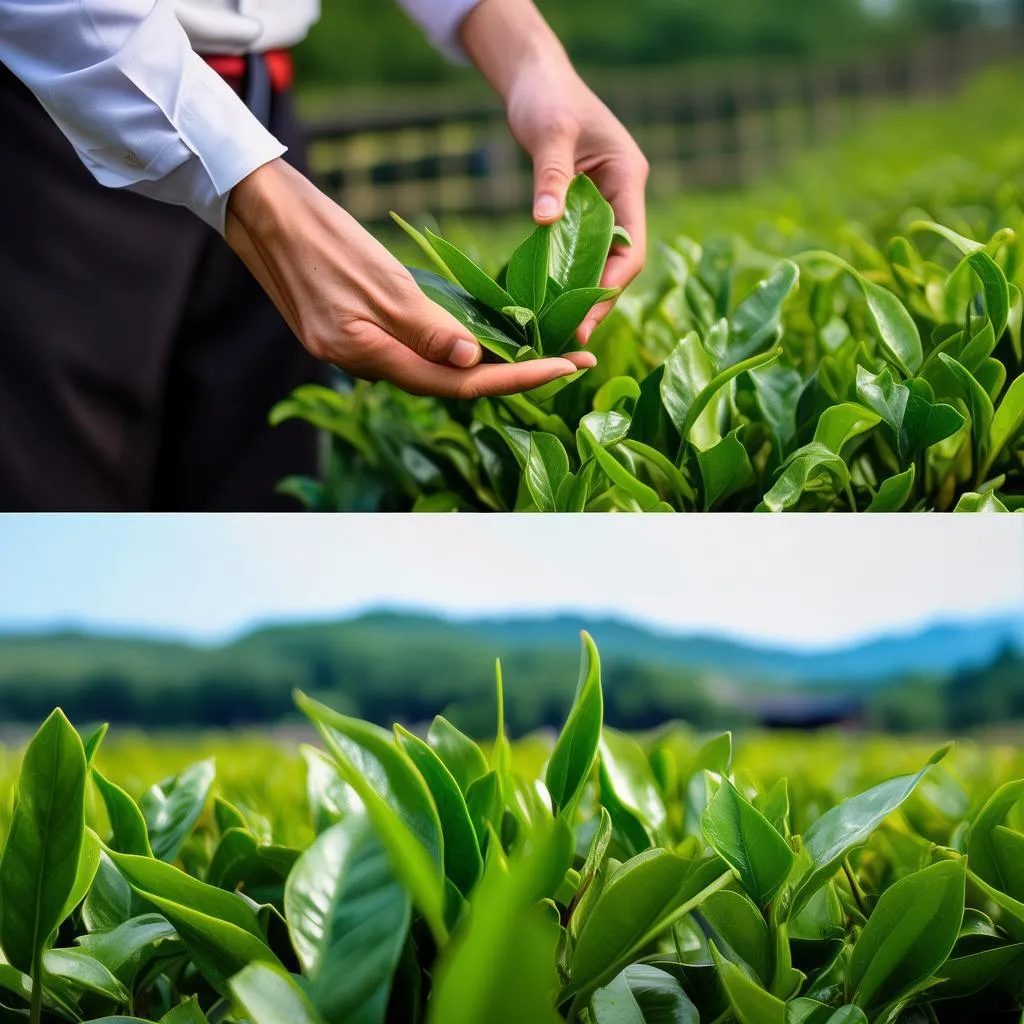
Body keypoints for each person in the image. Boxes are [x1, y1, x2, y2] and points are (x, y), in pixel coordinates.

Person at [0, 0, 649, 511]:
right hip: (52, 114)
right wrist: (249, 188)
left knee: (253, 506)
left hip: (262, 119)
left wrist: (533, 59)